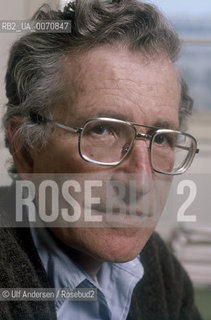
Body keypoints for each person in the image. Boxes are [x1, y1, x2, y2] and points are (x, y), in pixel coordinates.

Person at [0, 0, 202, 319]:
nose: (141, 181)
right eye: (103, 130)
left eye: (162, 138)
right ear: (26, 149)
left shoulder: (159, 266)